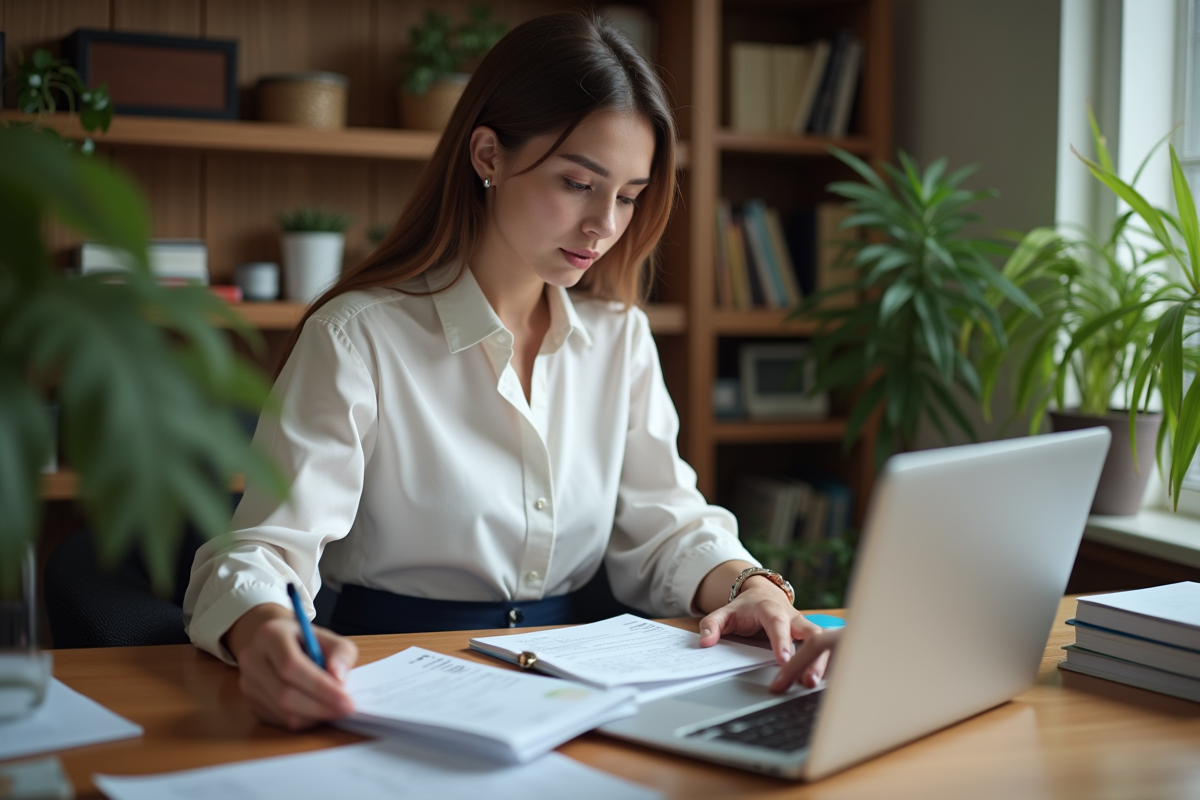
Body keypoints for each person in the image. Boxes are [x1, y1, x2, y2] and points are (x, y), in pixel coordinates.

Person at [183, 11, 828, 731]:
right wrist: (264, 632)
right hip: (396, 672)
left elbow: (668, 526)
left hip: (581, 679)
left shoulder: (620, 339)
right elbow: (266, 549)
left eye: (628, 195)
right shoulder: (359, 336)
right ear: (487, 154)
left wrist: (752, 587)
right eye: (579, 183)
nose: (604, 226)